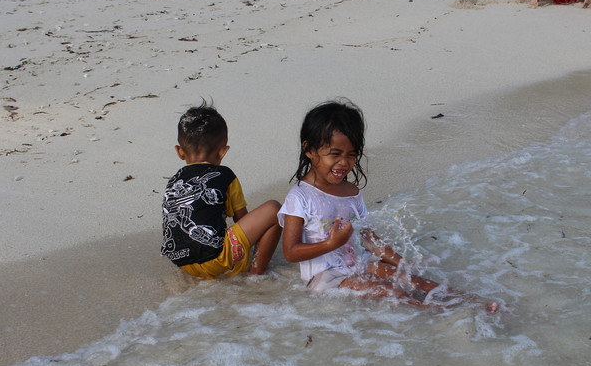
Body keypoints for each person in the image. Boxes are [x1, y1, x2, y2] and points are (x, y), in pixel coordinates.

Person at [277, 99, 499, 312]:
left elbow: (366, 236)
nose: (344, 163)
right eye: (334, 154)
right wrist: (330, 244)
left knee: (413, 280)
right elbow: (290, 251)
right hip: (326, 279)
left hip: (359, 265)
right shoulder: (300, 197)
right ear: (309, 149)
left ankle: (472, 302)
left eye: (351, 155)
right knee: (391, 291)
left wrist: (404, 263)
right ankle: (445, 316)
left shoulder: (352, 193)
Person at [161, 101, 282, 278]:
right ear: (222, 151)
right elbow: (243, 220)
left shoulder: (173, 182)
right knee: (274, 209)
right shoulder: (224, 175)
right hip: (217, 260)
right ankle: (255, 273)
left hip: (182, 262)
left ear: (180, 151)